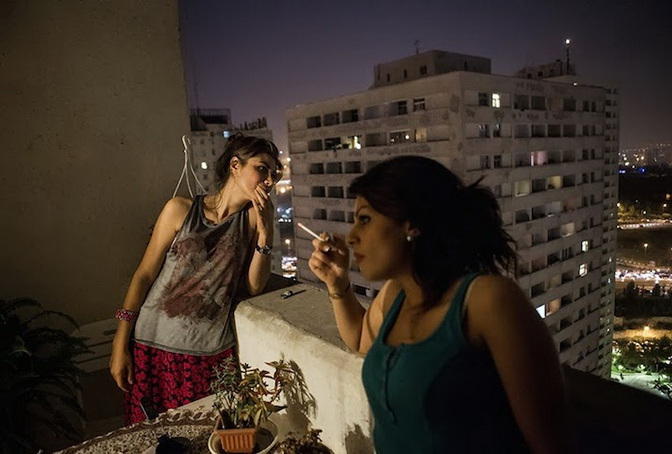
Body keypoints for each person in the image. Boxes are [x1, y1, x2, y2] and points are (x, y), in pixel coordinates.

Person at [308, 156, 572, 453]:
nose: (351, 237)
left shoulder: (488, 300)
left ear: (412, 224)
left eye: (365, 219)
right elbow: (360, 340)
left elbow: (550, 445)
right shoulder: (396, 295)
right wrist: (337, 283)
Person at [110, 133, 282, 425]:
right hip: (151, 346)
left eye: (274, 173)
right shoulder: (180, 209)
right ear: (235, 166)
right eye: (262, 168)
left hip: (208, 353)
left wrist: (266, 233)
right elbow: (144, 275)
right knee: (152, 435)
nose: (269, 180)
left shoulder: (254, 219)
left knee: (205, 434)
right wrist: (120, 342)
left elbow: (254, 286)